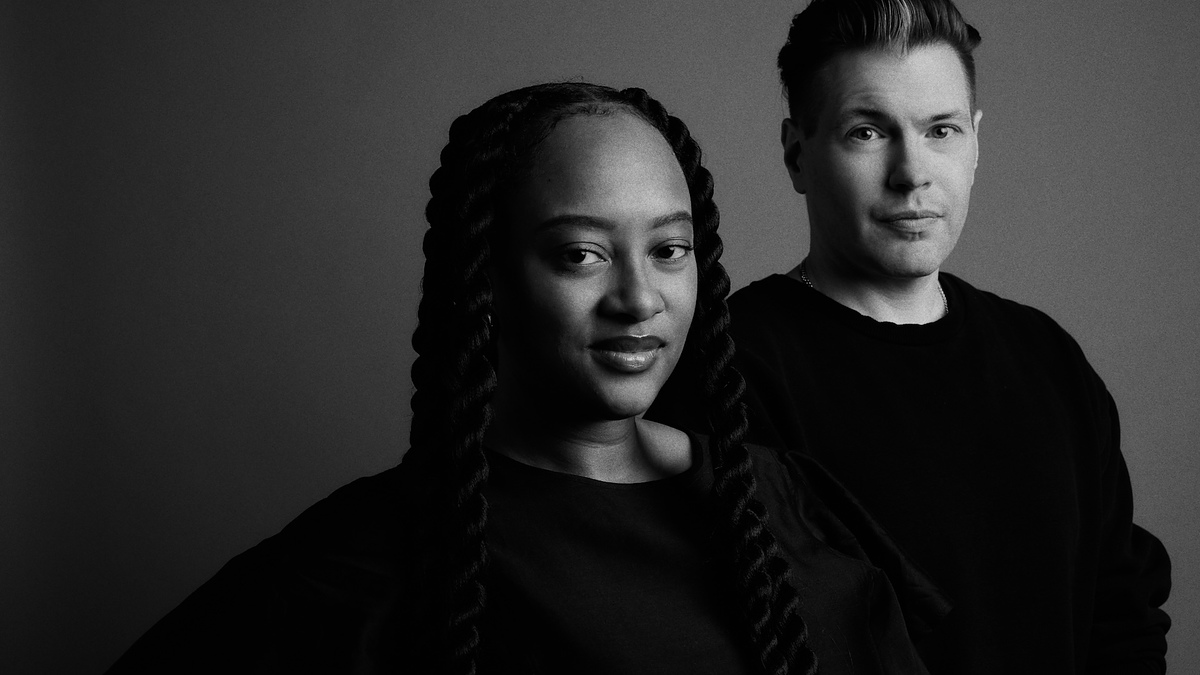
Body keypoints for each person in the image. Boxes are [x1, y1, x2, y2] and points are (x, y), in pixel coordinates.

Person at [105, 82, 943, 674]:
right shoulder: (376, 557)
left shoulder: (785, 502)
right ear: (490, 279)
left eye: (669, 249)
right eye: (581, 254)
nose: (638, 297)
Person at [664, 0, 1171, 672]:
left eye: (941, 130)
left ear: (977, 143)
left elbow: (1123, 615)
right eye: (868, 132)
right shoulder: (729, 366)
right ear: (795, 153)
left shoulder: (1047, 357)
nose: (913, 173)